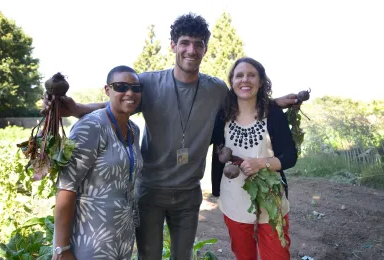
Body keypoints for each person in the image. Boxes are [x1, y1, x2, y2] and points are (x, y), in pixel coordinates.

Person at [42, 13, 299, 260]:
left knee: (182, 256)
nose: (191, 50)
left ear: (205, 50)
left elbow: (245, 102)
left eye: (198, 45)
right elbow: (116, 101)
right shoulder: (149, 83)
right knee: (149, 256)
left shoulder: (216, 89)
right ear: (173, 45)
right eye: (184, 43)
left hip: (188, 194)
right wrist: (76, 109)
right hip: (150, 192)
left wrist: (274, 103)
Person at [52, 65, 143, 260]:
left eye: (136, 88)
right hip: (90, 239)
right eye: (121, 86)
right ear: (107, 90)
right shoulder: (90, 127)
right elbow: (66, 188)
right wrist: (61, 248)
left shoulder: (134, 130)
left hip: (122, 237)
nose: (130, 93)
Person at [211, 57, 297, 260]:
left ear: (260, 81)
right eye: (239, 75)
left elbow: (290, 156)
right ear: (232, 82)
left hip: (271, 202)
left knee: (278, 256)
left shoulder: (273, 114)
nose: (245, 80)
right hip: (234, 202)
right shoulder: (223, 116)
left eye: (252, 75)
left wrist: (262, 163)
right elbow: (204, 140)